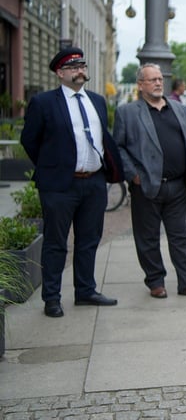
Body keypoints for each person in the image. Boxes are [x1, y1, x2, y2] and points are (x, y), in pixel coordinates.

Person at [21, 47, 123, 318]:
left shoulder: (97, 101)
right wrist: (53, 166)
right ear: (60, 72)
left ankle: (85, 290)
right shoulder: (44, 102)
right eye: (73, 66)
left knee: (89, 240)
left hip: (93, 183)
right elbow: (29, 141)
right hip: (59, 186)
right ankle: (52, 298)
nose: (80, 70)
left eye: (82, 65)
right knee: (56, 243)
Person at [112, 63, 186, 299]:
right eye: (152, 79)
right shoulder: (127, 112)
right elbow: (118, 147)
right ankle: (155, 280)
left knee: (180, 237)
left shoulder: (179, 110)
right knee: (147, 237)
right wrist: (133, 174)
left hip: (177, 185)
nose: (158, 83)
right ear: (140, 85)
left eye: (160, 79)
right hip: (146, 185)